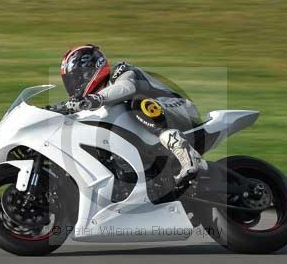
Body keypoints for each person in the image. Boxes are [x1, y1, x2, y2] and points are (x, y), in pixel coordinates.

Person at [59, 44, 207, 183]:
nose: (75, 84)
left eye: (78, 76)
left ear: (92, 69)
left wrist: (93, 99)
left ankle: (186, 153)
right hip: (151, 136)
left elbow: (126, 88)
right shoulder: (93, 104)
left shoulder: (120, 71)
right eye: (70, 80)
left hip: (179, 110)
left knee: (136, 103)